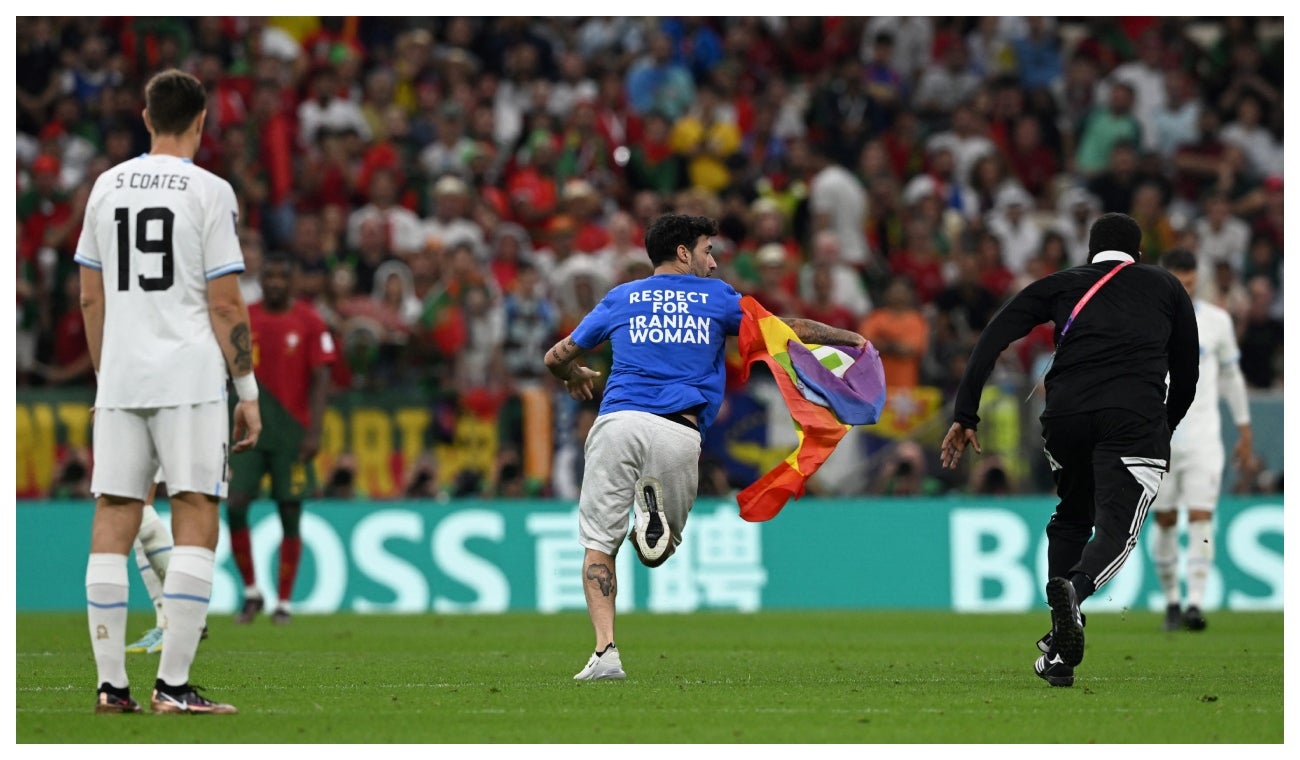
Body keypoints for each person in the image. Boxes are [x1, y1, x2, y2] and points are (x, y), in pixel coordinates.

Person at [543, 213, 866, 681]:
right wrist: (846, 337)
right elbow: (783, 329)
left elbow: (555, 357)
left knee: (598, 545)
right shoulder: (716, 298)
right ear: (682, 253)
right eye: (708, 250)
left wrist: (574, 376)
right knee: (660, 550)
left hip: (616, 422)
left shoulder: (620, 297)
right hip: (677, 432)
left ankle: (605, 651)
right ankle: (648, 518)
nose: (713, 263)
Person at [939, 212, 1198, 688]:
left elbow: (994, 336)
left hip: (1065, 418)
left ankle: (1060, 654)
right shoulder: (1166, 287)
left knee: (1072, 517)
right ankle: (1074, 596)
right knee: (1117, 528)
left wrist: (966, 414)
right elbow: (1187, 371)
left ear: (1089, 253)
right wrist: (1164, 426)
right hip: (1132, 420)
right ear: (1138, 254)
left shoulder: (1059, 284)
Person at [75, 68, 261, 714]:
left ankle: (110, 686)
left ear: (146, 117)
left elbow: (91, 295)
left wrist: (109, 375)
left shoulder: (105, 187)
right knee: (195, 514)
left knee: (115, 516)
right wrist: (248, 389)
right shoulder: (210, 192)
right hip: (188, 380)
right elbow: (226, 303)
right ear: (202, 122)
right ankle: (173, 688)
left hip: (121, 377)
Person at [227, 253, 337, 625]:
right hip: (250, 428)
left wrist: (315, 431)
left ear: (293, 281)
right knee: (236, 504)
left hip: (292, 431)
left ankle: (285, 602)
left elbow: (322, 378)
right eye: (269, 275)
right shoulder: (248, 316)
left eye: (281, 275)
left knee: (290, 512)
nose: (274, 281)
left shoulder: (309, 320)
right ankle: (251, 591)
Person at [1153, 249, 1253, 632]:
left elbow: (1231, 377)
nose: (1186, 290)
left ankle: (1194, 603)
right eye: (1180, 283)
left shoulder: (1216, 322)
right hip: (1159, 439)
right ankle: (1171, 603)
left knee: (1200, 516)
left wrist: (1244, 427)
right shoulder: (1148, 323)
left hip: (1204, 439)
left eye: (1191, 284)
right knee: (1164, 520)